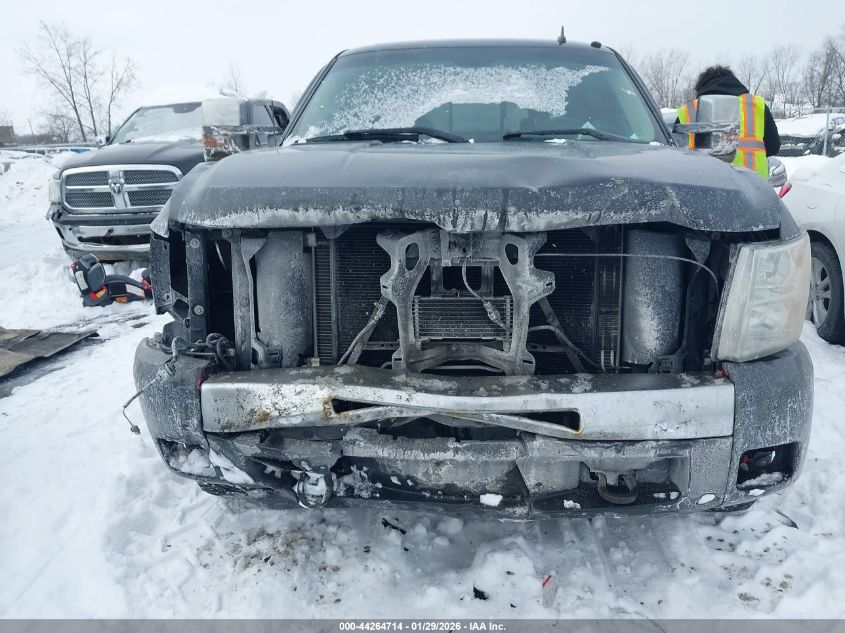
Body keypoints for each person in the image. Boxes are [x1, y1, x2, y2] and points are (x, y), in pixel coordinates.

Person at [676, 65, 780, 179]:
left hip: (704, 187)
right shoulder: (756, 105)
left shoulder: (687, 111)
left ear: (701, 88)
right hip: (754, 188)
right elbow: (773, 146)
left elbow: (674, 153)